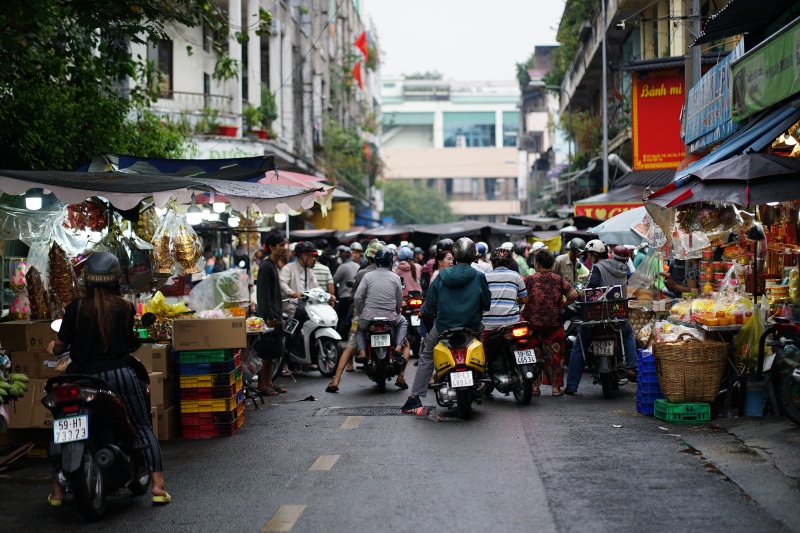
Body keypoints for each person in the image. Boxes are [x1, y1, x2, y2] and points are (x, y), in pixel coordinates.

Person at [46, 253, 170, 505]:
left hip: (79, 378)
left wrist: (53, 348)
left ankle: (57, 491)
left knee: (63, 427)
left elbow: (60, 346)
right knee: (141, 425)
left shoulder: (75, 308)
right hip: (118, 376)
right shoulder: (124, 307)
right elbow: (129, 342)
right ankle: (158, 487)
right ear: (115, 279)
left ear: (86, 280)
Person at [402, 237, 491, 412]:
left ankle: (415, 397)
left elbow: (430, 305)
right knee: (482, 347)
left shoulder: (441, 275)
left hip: (443, 327)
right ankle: (482, 375)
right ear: (474, 257)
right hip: (472, 326)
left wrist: (424, 312)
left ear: (455, 256)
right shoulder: (479, 276)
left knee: (427, 356)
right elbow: (486, 304)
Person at [564, 242, 638, 395]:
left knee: (579, 346)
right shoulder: (622, 268)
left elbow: (591, 287)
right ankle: (631, 366)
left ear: (594, 255)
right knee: (629, 334)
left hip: (596, 315)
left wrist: (581, 294)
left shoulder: (596, 268)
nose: (589, 259)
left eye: (589, 256)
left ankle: (571, 386)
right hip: (617, 314)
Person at [326, 240, 386, 391]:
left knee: (350, 345)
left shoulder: (362, 273)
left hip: (364, 315)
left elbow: (356, 296)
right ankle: (401, 376)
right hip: (387, 316)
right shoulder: (391, 273)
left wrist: (359, 311)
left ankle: (336, 380)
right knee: (403, 344)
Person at [523, 250, 579, 396]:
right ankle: (556, 388)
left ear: (537, 264)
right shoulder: (558, 279)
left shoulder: (529, 279)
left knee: (533, 353)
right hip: (553, 323)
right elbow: (573, 295)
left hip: (533, 323)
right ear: (553, 265)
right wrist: (563, 304)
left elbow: (520, 297)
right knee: (555, 355)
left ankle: (535, 387)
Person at [353, 248, 409, 389]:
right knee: (403, 322)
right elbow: (398, 300)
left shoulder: (367, 276)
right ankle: (398, 347)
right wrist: (396, 312)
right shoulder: (395, 277)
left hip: (368, 316)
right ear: (390, 261)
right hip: (390, 317)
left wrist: (360, 311)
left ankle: (362, 352)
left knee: (359, 328)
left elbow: (358, 297)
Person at [255, 234, 289, 396]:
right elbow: (263, 294)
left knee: (274, 352)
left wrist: (279, 317)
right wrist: (270, 315)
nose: (284, 248)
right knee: (266, 354)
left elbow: (275, 295)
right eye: (281, 245)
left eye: (284, 245)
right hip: (268, 317)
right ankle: (262, 385)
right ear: (272, 247)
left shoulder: (274, 266)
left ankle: (269, 382)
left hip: (275, 316)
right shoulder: (266, 267)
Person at [482, 247, 528, 339]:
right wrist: (514, 298)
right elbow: (525, 299)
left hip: (489, 325)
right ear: (508, 264)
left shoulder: (484, 277)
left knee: (482, 350)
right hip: (511, 323)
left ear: (492, 263)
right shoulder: (516, 276)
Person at [333, 246, 359, 335]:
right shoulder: (358, 266)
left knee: (338, 316)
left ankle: (338, 333)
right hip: (356, 296)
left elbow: (334, 280)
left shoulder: (342, 267)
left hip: (345, 296)